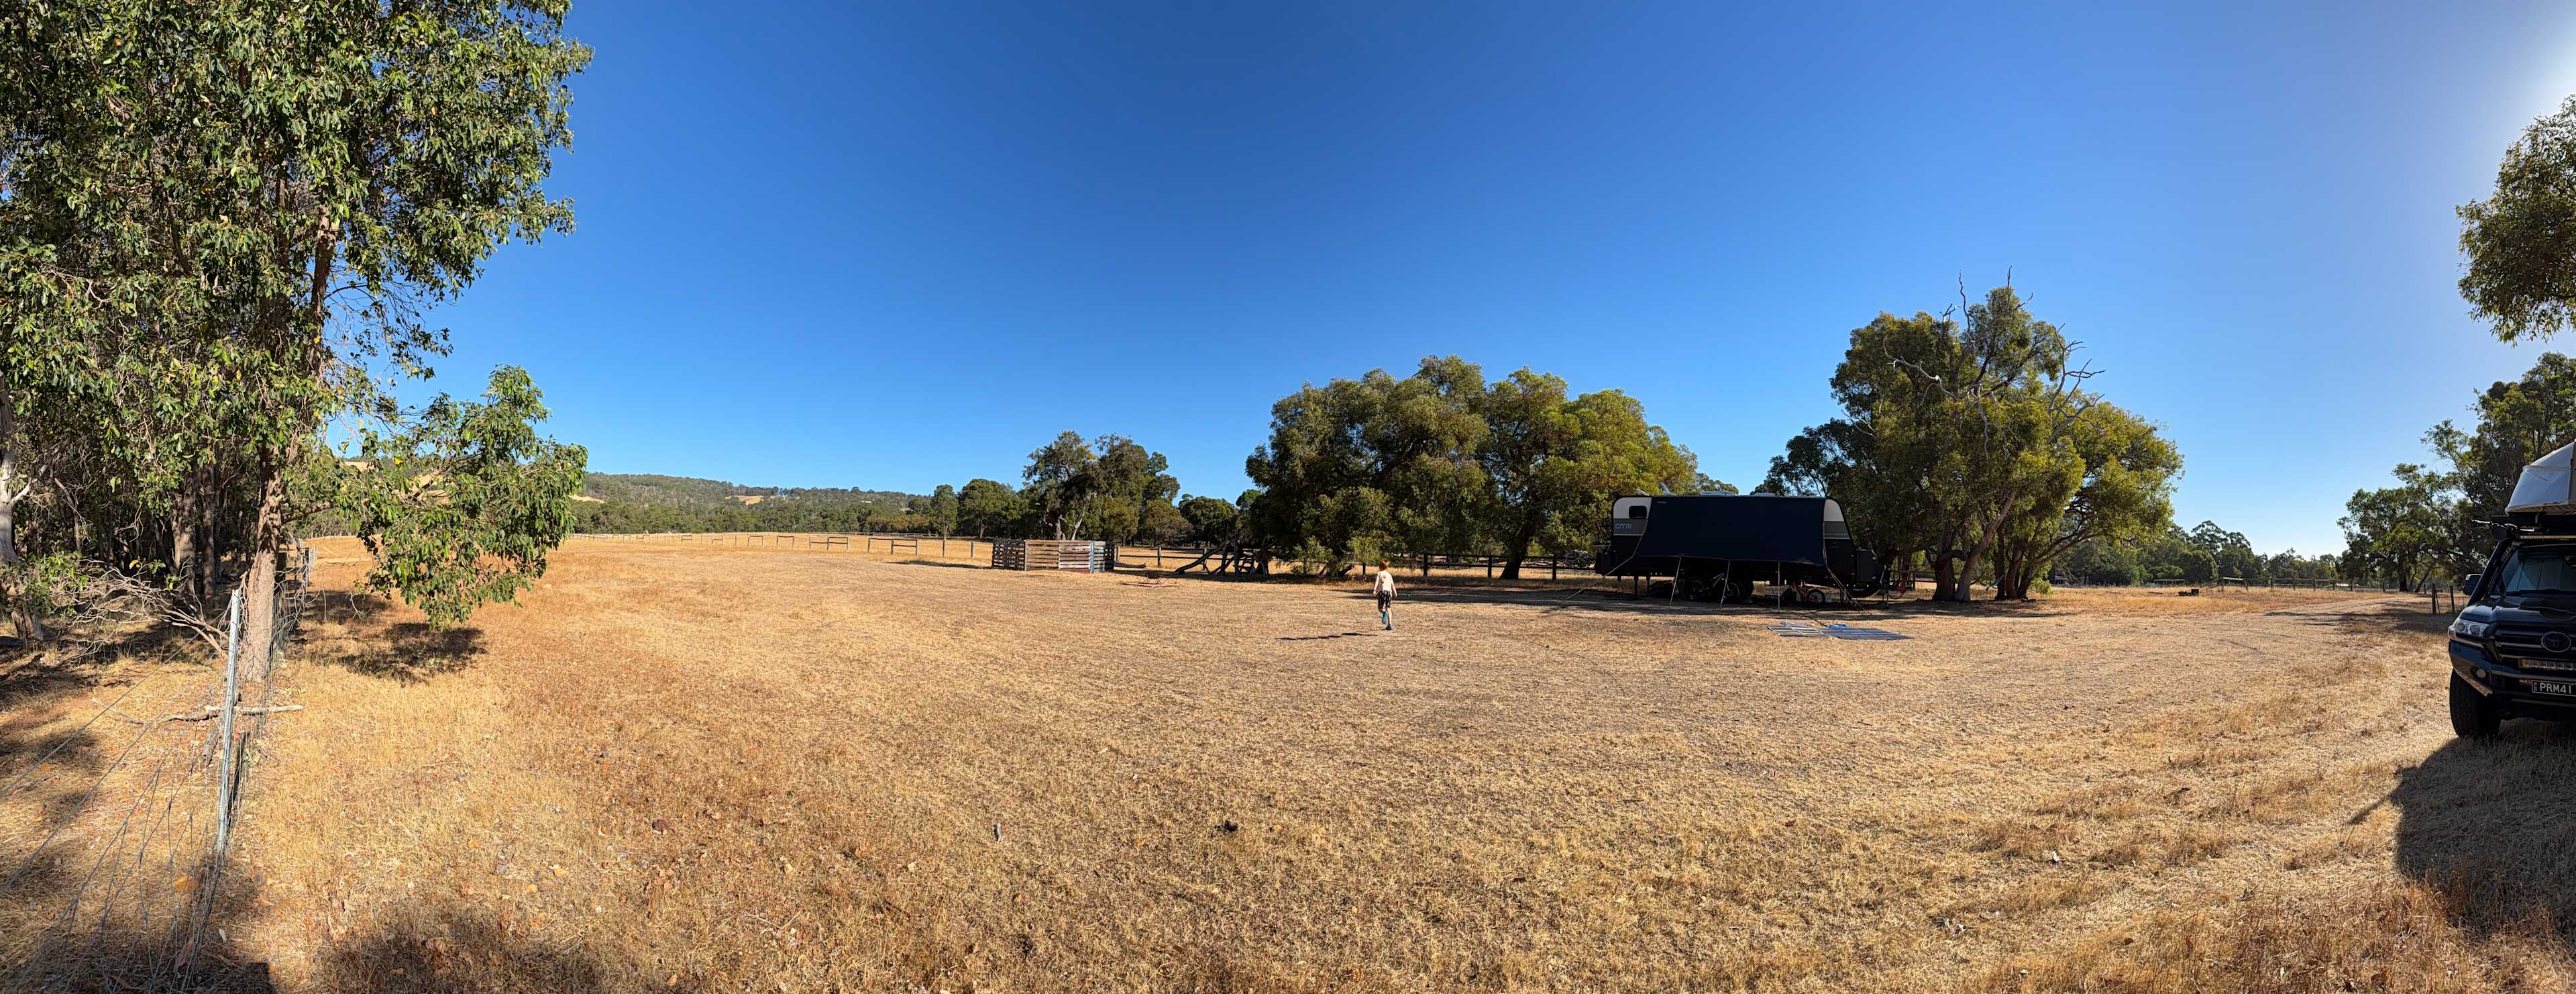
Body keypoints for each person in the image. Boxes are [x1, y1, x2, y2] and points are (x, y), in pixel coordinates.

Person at [1373, 559, 1397, 630]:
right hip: (1389, 593)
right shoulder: (1389, 575)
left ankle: (1384, 613)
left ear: (1380, 566)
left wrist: (1375, 590)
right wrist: (1395, 593)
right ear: (1387, 567)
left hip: (1382, 592)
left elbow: (1377, 582)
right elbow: (1392, 585)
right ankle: (1390, 625)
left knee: (1380, 608)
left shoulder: (1379, 574)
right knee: (1389, 608)